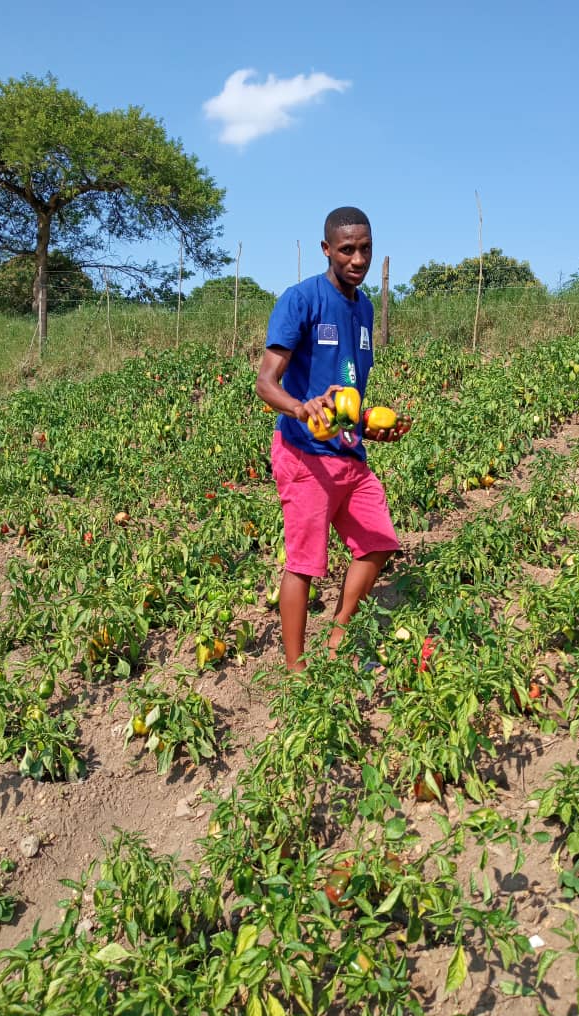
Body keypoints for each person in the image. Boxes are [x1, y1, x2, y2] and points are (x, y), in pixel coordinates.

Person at [255, 206, 406, 671]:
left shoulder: (364, 308)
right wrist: (302, 408)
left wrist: (369, 427)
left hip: (347, 452)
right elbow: (264, 382)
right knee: (304, 562)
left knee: (379, 542)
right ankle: (296, 669)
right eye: (347, 250)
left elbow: (348, 391)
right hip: (304, 454)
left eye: (365, 249)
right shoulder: (301, 300)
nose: (357, 259)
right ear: (327, 250)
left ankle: (340, 631)